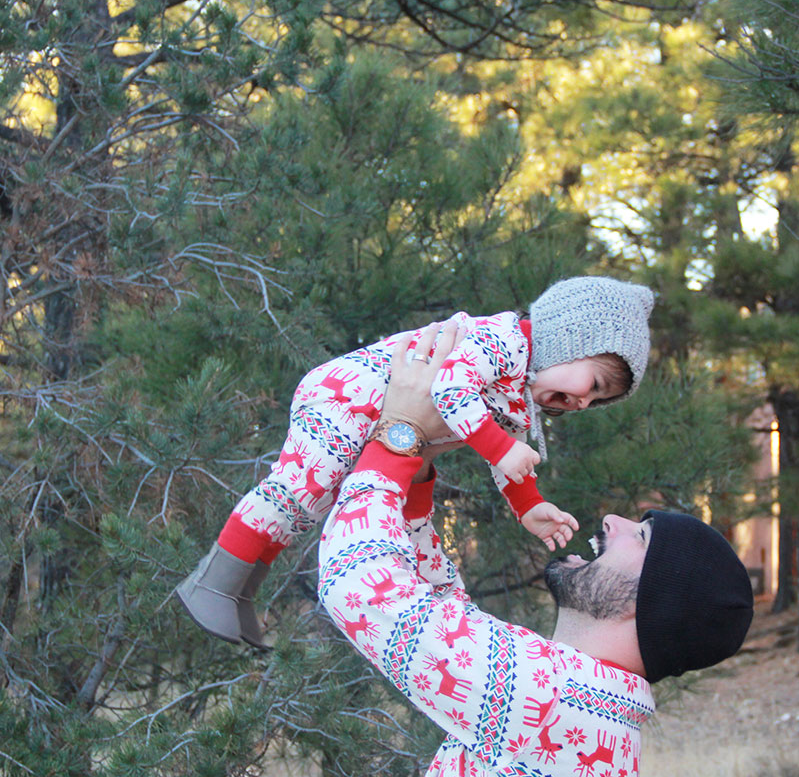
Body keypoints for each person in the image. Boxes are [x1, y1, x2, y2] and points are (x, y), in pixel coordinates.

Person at [317, 322, 755, 777]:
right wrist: (415, 476)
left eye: (643, 536)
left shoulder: (550, 698)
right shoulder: (581, 704)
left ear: (652, 603)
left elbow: (357, 582)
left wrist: (397, 435)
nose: (612, 520)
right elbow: (438, 611)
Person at [176, 276, 654, 649]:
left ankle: (239, 593)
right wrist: (501, 448)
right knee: (300, 491)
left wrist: (528, 504)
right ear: (566, 341)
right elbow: (450, 390)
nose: (584, 403)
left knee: (330, 514)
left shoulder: (519, 393)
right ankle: (213, 585)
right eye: (593, 384)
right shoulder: (501, 340)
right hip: (347, 397)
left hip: (392, 431)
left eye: (598, 402)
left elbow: (507, 454)